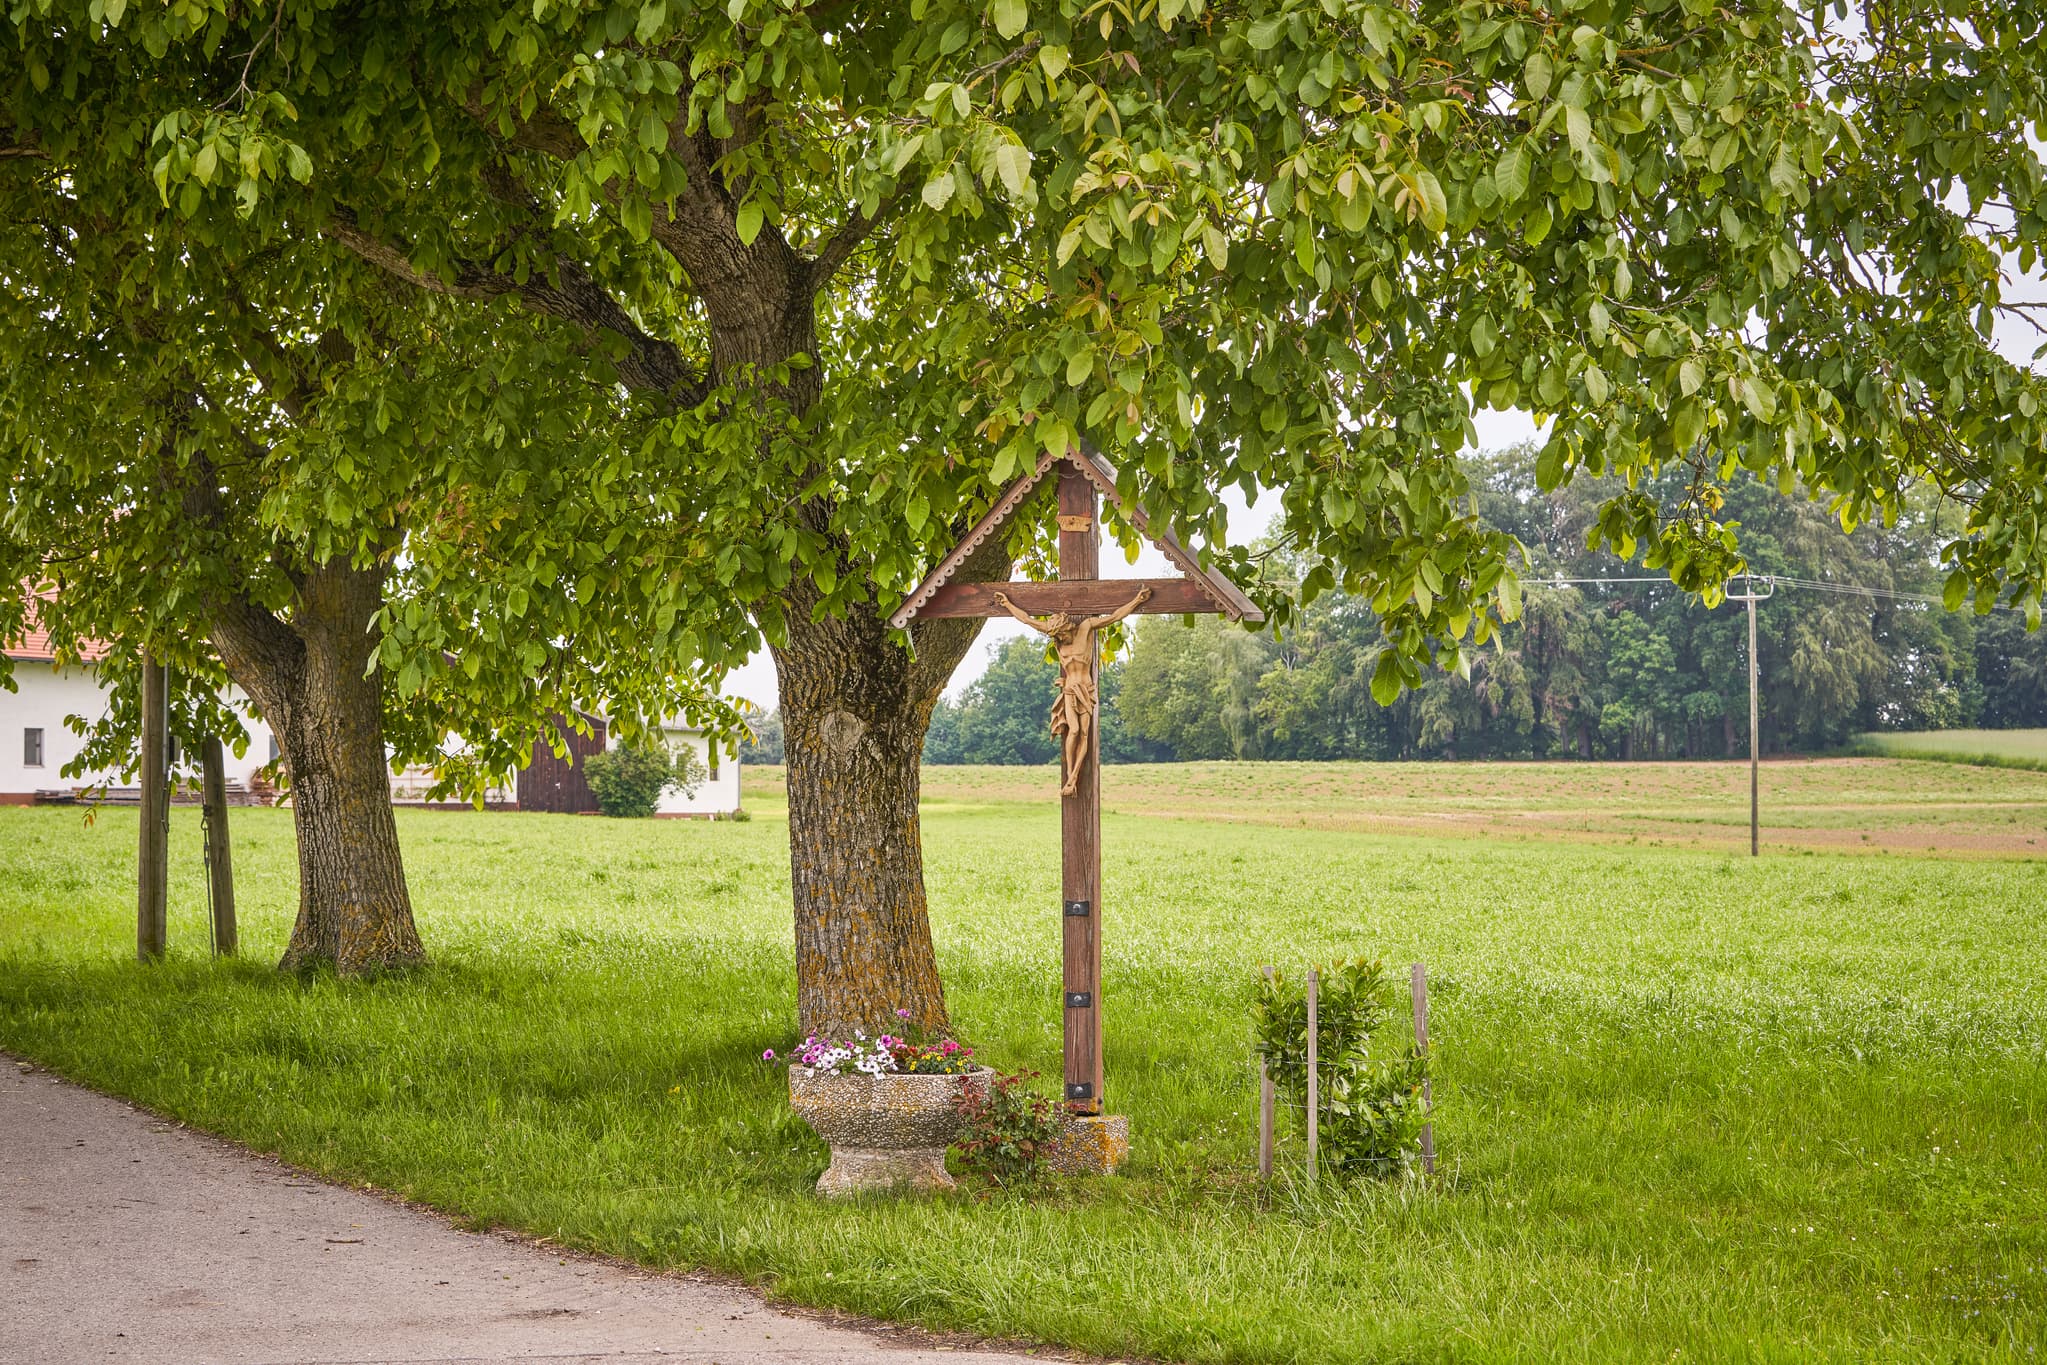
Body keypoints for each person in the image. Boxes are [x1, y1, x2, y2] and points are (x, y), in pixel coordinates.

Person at [992, 585, 1154, 796]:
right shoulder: (1058, 639)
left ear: (1067, 629)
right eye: (1057, 637)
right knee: (1074, 730)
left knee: (1084, 733)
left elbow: (1113, 617)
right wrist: (1007, 604)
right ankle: (1070, 777)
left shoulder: (1085, 628)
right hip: (1069, 691)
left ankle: (1073, 778)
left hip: (1086, 690)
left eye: (1062, 635)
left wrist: (1137, 600)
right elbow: (1027, 620)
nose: (1061, 639)